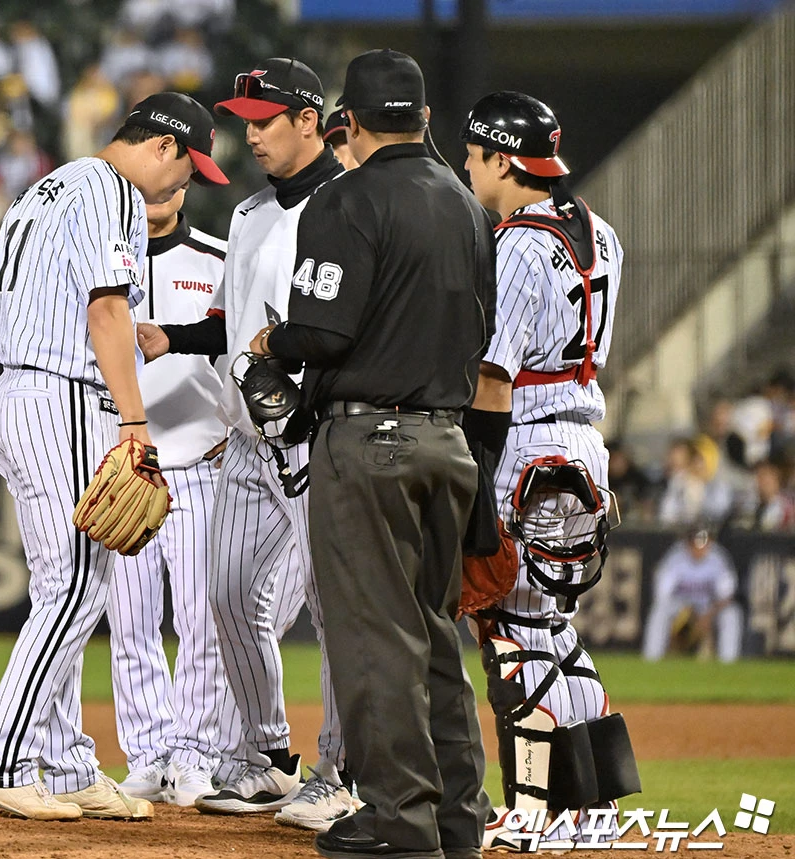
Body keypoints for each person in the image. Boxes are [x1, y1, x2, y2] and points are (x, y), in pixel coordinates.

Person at [250, 49, 495, 859]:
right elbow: (484, 332)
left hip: (369, 444)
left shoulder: (343, 200)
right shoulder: (465, 204)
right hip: (448, 442)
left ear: (343, 123)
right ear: (425, 119)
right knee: (431, 638)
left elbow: (325, 331)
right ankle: (458, 819)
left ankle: (400, 822)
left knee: (373, 641)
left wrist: (273, 341)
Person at [0, 91, 228, 821]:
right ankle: (5, 762)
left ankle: (71, 763)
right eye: (187, 170)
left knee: (63, 585)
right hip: (62, 399)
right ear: (164, 147)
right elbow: (107, 310)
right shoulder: (112, 190)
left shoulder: (45, 188)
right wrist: (135, 419)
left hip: (18, 395)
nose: (183, 188)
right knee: (78, 587)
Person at [138, 56, 352, 831]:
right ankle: (263, 756)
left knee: (334, 608)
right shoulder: (252, 211)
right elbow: (235, 318)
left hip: (316, 433)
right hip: (247, 439)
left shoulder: (349, 204)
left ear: (308, 119)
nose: (250, 134)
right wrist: (176, 337)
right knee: (225, 595)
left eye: (265, 121)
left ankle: (340, 764)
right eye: (244, 120)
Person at [459, 90, 636, 847]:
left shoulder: (519, 243)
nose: (469, 169)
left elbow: (494, 374)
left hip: (526, 442)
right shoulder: (602, 230)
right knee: (552, 627)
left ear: (503, 158)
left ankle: (537, 814)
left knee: (507, 625)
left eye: (473, 157)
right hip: (583, 444)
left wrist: (475, 472)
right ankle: (591, 811)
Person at [108, 183, 233, 807]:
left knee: (201, 623)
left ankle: (194, 755)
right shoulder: (100, 256)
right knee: (129, 626)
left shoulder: (218, 257)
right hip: (126, 471)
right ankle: (147, 754)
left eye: (176, 181)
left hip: (199, 466)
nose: (162, 194)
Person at [642, 527, 743, 662]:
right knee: (659, 610)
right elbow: (662, 594)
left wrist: (708, 616)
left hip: (708, 608)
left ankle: (728, 663)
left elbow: (727, 596)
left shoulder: (718, 558)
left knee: (732, 614)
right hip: (681, 607)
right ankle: (651, 659)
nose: (699, 548)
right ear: (688, 544)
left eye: (703, 543)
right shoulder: (676, 557)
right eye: (695, 544)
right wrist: (685, 615)